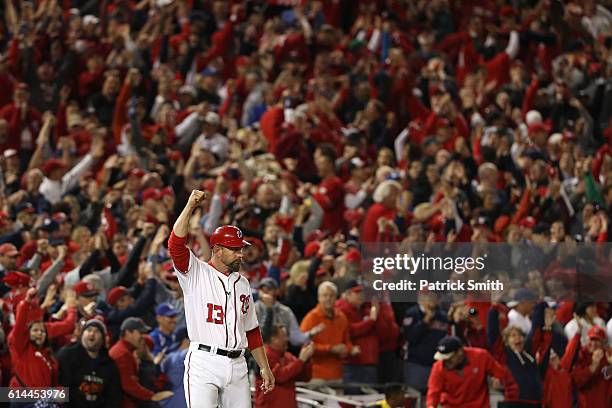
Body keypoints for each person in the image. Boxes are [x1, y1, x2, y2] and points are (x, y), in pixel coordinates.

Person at [167, 189, 274, 408]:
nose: (241, 254)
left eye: (241, 249)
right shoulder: (195, 272)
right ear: (217, 250)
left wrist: (264, 366)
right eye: (234, 249)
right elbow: (175, 244)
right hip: (205, 361)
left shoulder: (243, 284)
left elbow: (252, 330)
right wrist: (190, 206)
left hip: (238, 364)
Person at [426, 336, 519, 408]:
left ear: (460, 352)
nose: (446, 362)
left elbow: (501, 373)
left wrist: (497, 378)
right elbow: (433, 391)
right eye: (443, 359)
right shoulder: (438, 367)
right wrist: (431, 406)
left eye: (449, 358)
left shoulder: (481, 356)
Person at [109, 317, 173, 408]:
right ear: (128, 333)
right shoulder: (122, 353)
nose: (142, 337)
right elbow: (128, 384)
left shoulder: (125, 350)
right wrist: (151, 396)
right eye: (140, 333)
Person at [56, 318, 122, 407]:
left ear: (103, 338)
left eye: (97, 331)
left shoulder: (109, 364)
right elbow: (59, 389)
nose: (92, 334)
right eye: (89, 330)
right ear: (82, 334)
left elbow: (114, 397)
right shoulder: (67, 355)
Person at [300, 281, 357, 381]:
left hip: (337, 375)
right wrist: (331, 349)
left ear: (336, 298)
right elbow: (305, 346)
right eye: (325, 295)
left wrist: (350, 349)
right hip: (316, 376)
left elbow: (346, 341)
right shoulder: (311, 318)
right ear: (319, 298)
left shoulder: (342, 317)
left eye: (331, 296)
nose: (328, 299)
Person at [255, 325, 313, 408]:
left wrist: (306, 360)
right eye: (283, 336)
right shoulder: (264, 356)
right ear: (273, 339)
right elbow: (279, 377)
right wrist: (301, 361)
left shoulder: (288, 356)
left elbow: (305, 377)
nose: (287, 339)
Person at [571, 326, 612, 408]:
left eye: (597, 340)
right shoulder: (581, 355)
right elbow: (576, 381)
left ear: (603, 343)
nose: (593, 344)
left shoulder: (609, 355)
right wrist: (593, 366)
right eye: (591, 339)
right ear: (587, 340)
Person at [160, 328, 190, 408]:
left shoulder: (168, 357)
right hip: (181, 402)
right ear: (186, 341)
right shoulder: (181, 356)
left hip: (168, 403)